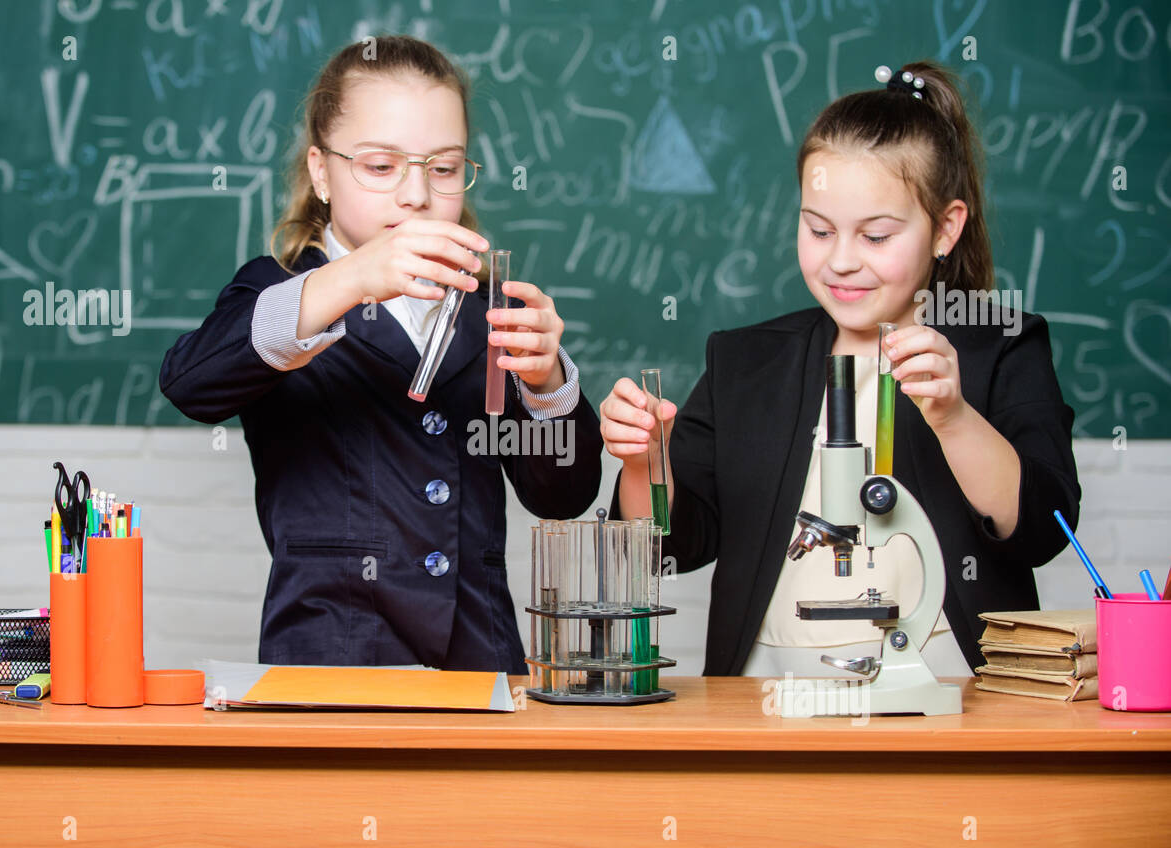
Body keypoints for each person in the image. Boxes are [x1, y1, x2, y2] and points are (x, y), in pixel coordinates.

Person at [600, 62, 1080, 678]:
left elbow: (1043, 531)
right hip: (766, 696)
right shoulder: (745, 361)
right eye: (819, 230)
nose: (843, 261)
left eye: (876, 236)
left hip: (954, 696)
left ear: (946, 227)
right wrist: (646, 463)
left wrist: (955, 419)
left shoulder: (1003, 347)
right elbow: (669, 547)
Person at [160, 36, 602, 672]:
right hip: (331, 668)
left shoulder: (487, 308)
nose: (416, 195)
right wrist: (354, 279)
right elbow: (189, 383)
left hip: (480, 667)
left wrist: (547, 383)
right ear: (321, 171)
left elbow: (561, 495)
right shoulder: (280, 291)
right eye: (379, 165)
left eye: (443, 168)